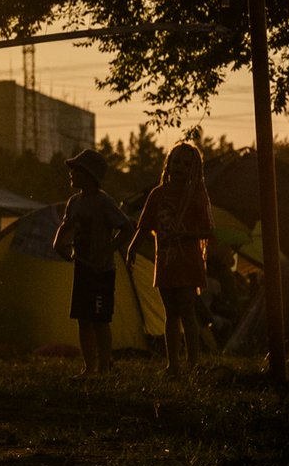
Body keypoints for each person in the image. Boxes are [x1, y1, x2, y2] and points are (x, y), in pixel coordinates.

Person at [126, 139, 213, 376]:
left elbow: (208, 230)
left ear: (194, 168)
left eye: (186, 164)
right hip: (165, 261)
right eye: (176, 162)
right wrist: (132, 249)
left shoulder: (197, 195)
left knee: (186, 311)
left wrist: (185, 233)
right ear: (168, 164)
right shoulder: (158, 194)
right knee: (170, 314)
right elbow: (144, 227)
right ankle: (173, 365)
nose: (180, 167)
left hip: (188, 261)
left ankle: (192, 364)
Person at [53, 147, 131, 376]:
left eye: (76, 170)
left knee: (99, 320)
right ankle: (89, 367)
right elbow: (66, 227)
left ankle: (104, 366)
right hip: (82, 268)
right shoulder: (74, 202)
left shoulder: (103, 202)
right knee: (83, 319)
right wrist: (59, 244)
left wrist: (108, 250)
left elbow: (126, 228)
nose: (71, 174)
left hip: (101, 272)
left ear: (89, 175)